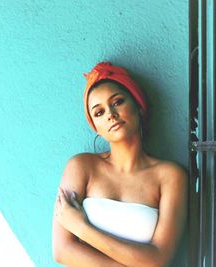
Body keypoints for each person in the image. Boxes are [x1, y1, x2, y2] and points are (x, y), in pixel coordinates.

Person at [52, 62, 188, 267]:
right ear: (96, 127)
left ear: (138, 106)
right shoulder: (81, 167)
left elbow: (158, 259)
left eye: (117, 102)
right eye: (99, 112)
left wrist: (81, 228)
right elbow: (62, 251)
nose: (110, 114)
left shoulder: (170, 176)